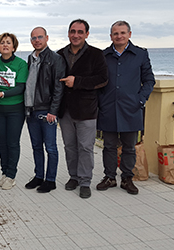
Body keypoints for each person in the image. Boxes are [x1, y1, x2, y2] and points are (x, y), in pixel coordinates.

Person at [97, 20, 155, 195]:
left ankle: (127, 178)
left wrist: (140, 100)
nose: (119, 36)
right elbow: (98, 82)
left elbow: (149, 80)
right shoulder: (103, 55)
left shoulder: (140, 54)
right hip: (108, 108)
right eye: (116, 33)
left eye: (122, 33)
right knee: (108, 146)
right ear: (111, 36)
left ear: (129, 34)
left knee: (129, 147)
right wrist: (101, 101)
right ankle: (109, 177)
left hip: (131, 108)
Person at [57, 19, 108, 199]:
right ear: (68, 33)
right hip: (65, 110)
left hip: (87, 110)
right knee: (70, 147)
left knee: (85, 147)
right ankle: (74, 177)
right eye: (73, 31)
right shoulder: (60, 54)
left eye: (80, 32)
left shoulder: (96, 54)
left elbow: (103, 79)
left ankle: (85, 182)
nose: (76, 35)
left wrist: (77, 82)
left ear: (87, 34)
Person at [24, 27, 65, 193]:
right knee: (36, 146)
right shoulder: (30, 58)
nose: (37, 40)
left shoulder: (55, 59)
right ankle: (38, 176)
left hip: (47, 110)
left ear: (47, 38)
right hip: (30, 110)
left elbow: (58, 87)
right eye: (33, 38)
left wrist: (53, 111)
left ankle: (50, 180)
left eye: (40, 37)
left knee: (50, 147)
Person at [0, 33, 28, 190]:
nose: (5, 45)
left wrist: (3, 93)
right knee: (1, 142)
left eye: (8, 43)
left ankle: (11, 175)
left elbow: (20, 87)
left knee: (12, 142)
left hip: (15, 109)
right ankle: (4, 172)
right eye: (2, 43)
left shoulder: (21, 64)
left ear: (14, 46)